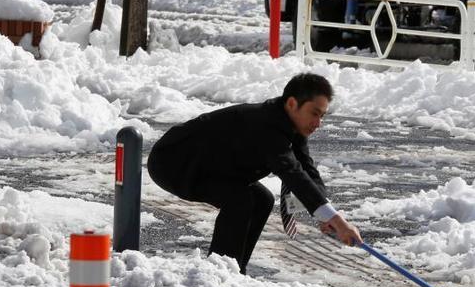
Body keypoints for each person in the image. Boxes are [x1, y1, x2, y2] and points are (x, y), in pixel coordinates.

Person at [147, 73, 362, 274]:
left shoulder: (290, 124)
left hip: (214, 166)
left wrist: (329, 215)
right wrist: (337, 222)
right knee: (240, 200)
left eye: (322, 116)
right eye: (314, 113)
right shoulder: (267, 126)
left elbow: (307, 169)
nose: (318, 123)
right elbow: (291, 173)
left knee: (262, 199)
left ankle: (235, 270)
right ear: (292, 104)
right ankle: (219, 273)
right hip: (174, 163)